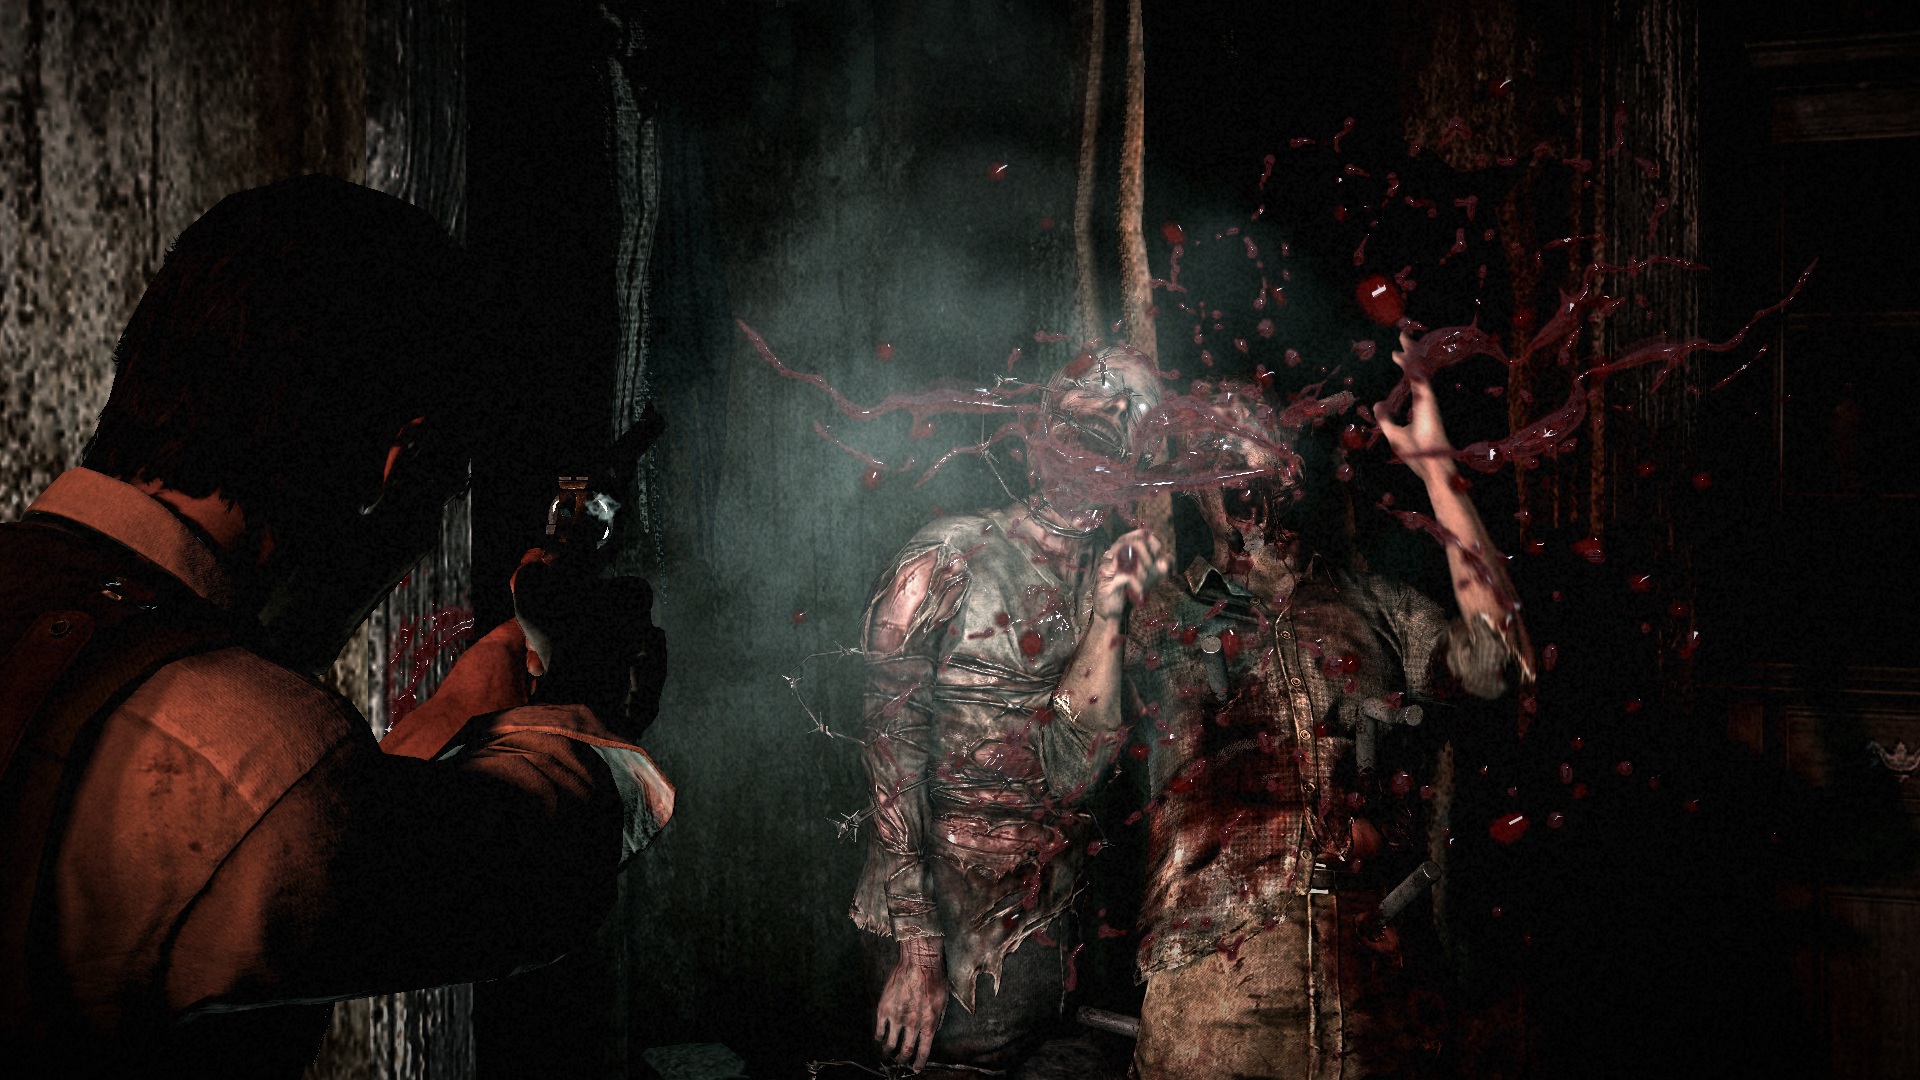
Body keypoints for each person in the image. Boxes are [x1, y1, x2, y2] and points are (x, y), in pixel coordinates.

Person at [0, 175, 673, 1077]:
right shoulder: (255, 768)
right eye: (442, 490)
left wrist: (461, 708)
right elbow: (526, 874)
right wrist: (582, 703)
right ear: (395, 463)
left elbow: (303, 826)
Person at [1058, 350, 1531, 1079]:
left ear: (1289, 467)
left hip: (1373, 978)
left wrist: (1440, 474)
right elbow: (1072, 754)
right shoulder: (1155, 617)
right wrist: (1105, 614)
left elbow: (1500, 662)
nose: (1232, 469)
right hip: (1210, 984)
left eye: (1247, 441)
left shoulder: (1378, 607)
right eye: (1209, 453)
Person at [852, 346, 1171, 1073]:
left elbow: (1075, 772)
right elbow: (889, 756)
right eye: (1092, 393)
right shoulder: (948, 555)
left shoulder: (1127, 586)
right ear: (1044, 423)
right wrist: (918, 950)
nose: (1109, 412)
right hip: (943, 938)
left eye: (1131, 410)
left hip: (1052, 937)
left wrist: (1110, 613)